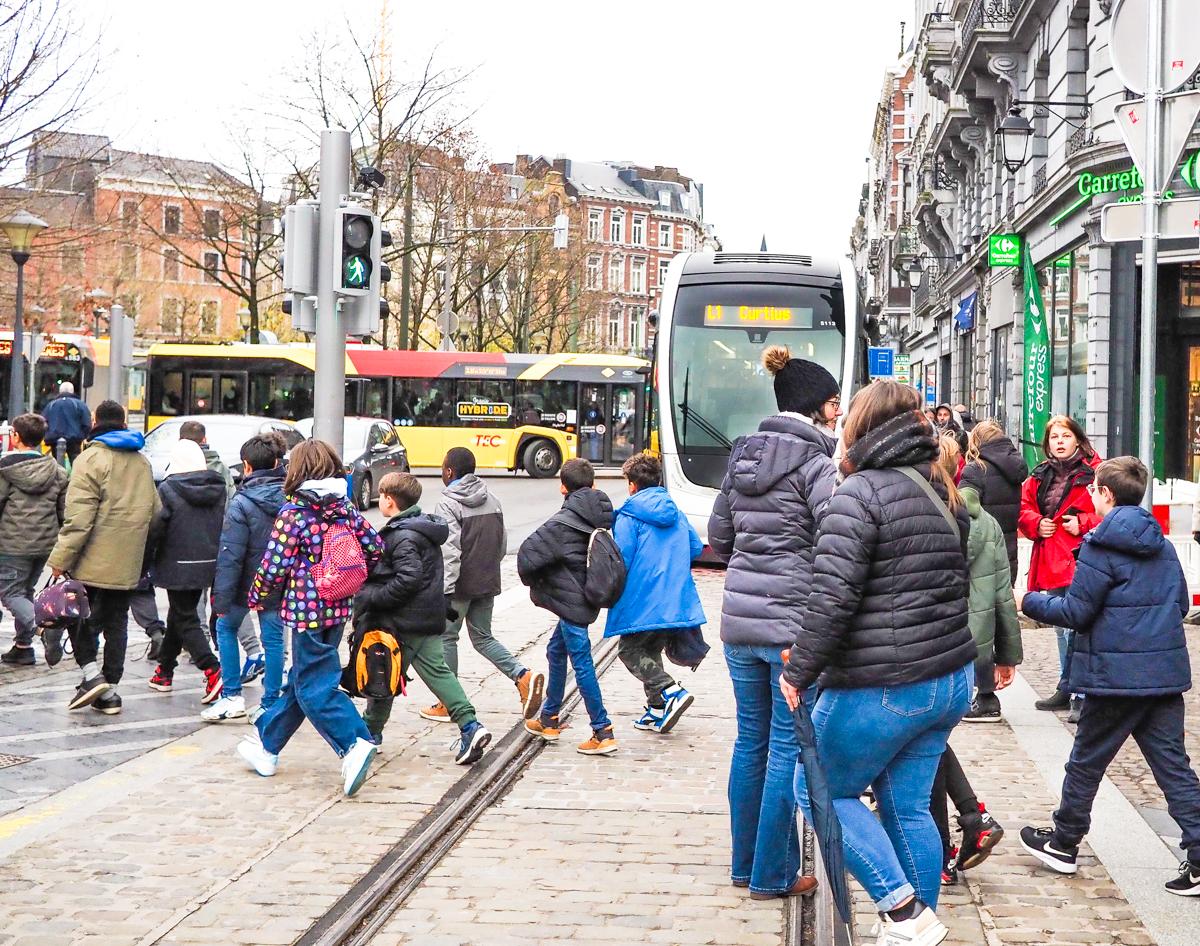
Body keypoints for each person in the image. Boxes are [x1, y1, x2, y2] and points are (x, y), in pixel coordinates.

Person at [780, 382, 976, 943]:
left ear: (861, 425)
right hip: (947, 677)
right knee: (908, 808)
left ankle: (901, 910)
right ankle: (919, 926)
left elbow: (832, 596)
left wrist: (799, 672)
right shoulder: (940, 487)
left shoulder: (860, 492)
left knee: (818, 789)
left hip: (887, 684)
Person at [1017, 456, 1200, 896]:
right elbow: (1179, 606)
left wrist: (1031, 601)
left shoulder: (1101, 545)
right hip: (1162, 676)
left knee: (1085, 764)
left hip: (1114, 678)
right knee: (1174, 769)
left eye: (1095, 489)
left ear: (1106, 495)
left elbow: (1078, 611)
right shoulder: (1162, 544)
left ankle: (1063, 843)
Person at [708, 346, 839, 901]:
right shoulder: (816, 465)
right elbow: (840, 540)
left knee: (749, 744)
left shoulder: (741, 457)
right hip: (790, 630)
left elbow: (719, 539)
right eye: (834, 404)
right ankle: (773, 875)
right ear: (820, 408)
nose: (839, 413)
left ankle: (744, 865)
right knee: (787, 749)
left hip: (739, 624)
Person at [235, 439, 383, 798]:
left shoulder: (295, 512)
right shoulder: (344, 506)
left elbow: (273, 566)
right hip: (338, 605)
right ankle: (267, 747)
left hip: (306, 610)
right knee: (302, 680)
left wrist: (256, 597)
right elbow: (375, 547)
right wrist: (346, 578)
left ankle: (354, 742)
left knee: (315, 684)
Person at [353, 472, 492, 764]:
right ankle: (470, 726)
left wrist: (372, 597)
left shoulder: (402, 535)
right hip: (427, 615)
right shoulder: (421, 528)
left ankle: (369, 734)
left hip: (403, 621)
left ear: (389, 500)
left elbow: (409, 577)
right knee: (434, 672)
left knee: (383, 672)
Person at [931, 433, 1018, 886]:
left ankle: (945, 847)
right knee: (928, 744)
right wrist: (1006, 656)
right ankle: (972, 817)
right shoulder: (982, 521)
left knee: (921, 748)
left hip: (929, 646)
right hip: (967, 651)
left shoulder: (933, 514)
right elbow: (1003, 592)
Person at [47, 400, 159, 714]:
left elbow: (79, 519)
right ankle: (110, 690)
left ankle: (91, 675)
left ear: (95, 420)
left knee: (79, 619)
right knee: (116, 623)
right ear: (123, 422)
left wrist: (61, 559)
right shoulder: (141, 462)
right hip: (128, 559)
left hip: (91, 559)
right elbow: (156, 510)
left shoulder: (90, 459)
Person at [426, 447, 543, 723]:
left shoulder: (448, 504)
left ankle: (448, 701)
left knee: (447, 637)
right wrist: (487, 570)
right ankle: (522, 676)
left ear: (450, 472)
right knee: (483, 637)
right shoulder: (493, 500)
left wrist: (446, 591)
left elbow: (450, 552)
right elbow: (501, 544)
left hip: (459, 586)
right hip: (486, 581)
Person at [518, 458, 617, 756]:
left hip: (570, 601)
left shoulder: (561, 523)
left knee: (582, 662)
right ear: (592, 485)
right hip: (586, 594)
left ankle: (603, 729)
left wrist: (539, 582)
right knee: (555, 650)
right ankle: (549, 717)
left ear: (563, 487)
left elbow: (526, 556)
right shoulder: (599, 514)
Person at [605, 452, 705, 733]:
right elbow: (695, 547)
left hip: (643, 597)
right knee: (651, 649)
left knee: (629, 651)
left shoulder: (628, 514)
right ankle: (657, 708)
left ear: (633, 485)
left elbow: (622, 559)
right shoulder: (675, 511)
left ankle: (671, 690)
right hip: (675, 597)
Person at [1018, 415, 1101, 722]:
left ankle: (1080, 691)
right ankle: (1067, 687)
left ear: (1077, 439)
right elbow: (1023, 507)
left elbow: (1109, 510)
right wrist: (1036, 523)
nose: (1060, 441)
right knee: (1061, 627)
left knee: (1079, 627)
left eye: (1066, 436)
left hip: (1082, 558)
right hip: (1052, 558)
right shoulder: (1040, 475)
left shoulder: (1094, 473)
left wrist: (1082, 523)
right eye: (1055, 437)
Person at [202, 435, 288, 724]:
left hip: (243, 584)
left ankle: (232, 697)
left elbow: (231, 555)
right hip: (277, 580)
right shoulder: (290, 496)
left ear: (247, 467)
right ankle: (270, 702)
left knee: (226, 628)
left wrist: (221, 598)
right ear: (277, 462)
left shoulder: (242, 502)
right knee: (274, 640)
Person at [145, 439, 226, 704]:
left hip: (176, 563)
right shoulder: (217, 488)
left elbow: (156, 526)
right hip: (207, 564)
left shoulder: (169, 489)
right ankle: (164, 671)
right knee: (179, 615)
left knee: (186, 618)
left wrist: (146, 560)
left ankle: (212, 669)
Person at [0, 413, 68, 666]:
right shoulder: (58, 472)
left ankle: (43, 628)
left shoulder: (6, 471)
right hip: (45, 544)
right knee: (25, 591)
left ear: (16, 437)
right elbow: (64, 513)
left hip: (12, 543)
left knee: (10, 593)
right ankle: (23, 646)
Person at [959, 420, 1028, 584]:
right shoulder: (1015, 467)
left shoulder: (975, 469)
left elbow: (964, 512)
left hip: (981, 554)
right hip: (1008, 552)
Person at [179, 420, 234, 498]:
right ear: (204, 440)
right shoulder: (221, 468)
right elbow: (231, 498)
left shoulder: (174, 467)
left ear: (179, 440)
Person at [43, 381, 92, 462]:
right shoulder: (79, 404)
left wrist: (48, 436)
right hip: (74, 440)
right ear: (72, 391)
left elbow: (43, 422)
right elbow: (87, 423)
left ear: (60, 391)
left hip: (54, 440)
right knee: (75, 463)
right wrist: (82, 436)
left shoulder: (51, 405)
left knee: (57, 463)